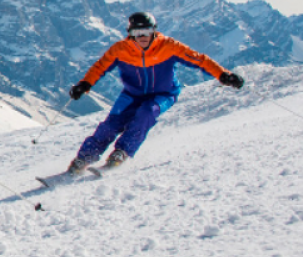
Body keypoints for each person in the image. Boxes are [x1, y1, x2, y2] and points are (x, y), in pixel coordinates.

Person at [66, 11, 245, 172]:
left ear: (154, 31)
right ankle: (84, 158)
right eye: (137, 33)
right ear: (130, 34)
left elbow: (200, 60)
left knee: (145, 114)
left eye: (147, 31)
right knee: (111, 124)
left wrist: (223, 75)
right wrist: (85, 84)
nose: (143, 37)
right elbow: (100, 67)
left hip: (163, 94)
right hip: (132, 95)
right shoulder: (121, 49)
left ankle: (121, 153)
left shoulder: (169, 46)